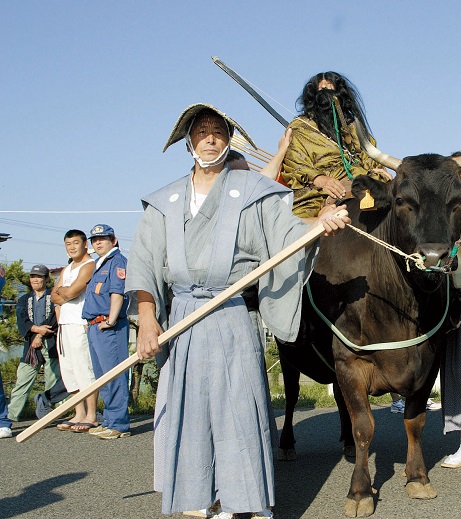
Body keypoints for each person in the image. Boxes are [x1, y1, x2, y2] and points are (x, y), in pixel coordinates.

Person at [127, 103, 349, 518]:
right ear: (188, 141)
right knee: (188, 410)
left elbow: (287, 239)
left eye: (218, 131)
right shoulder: (165, 200)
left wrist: (317, 223)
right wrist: (147, 318)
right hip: (183, 321)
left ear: (228, 140)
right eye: (201, 132)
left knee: (237, 410)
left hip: (231, 313)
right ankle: (197, 496)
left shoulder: (254, 191)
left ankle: (242, 501)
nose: (210, 138)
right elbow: (142, 262)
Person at [281, 71, 389, 218]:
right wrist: (320, 179)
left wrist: (378, 171)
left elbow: (370, 156)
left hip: (360, 180)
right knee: (300, 225)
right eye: (321, 88)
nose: (325, 88)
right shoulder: (300, 127)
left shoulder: (354, 127)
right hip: (318, 190)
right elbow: (295, 163)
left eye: (330, 86)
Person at [82, 224, 130, 439]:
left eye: (103, 238)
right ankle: (110, 420)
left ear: (114, 239)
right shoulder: (99, 264)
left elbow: (117, 293)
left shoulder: (117, 262)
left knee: (114, 374)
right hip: (95, 326)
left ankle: (119, 424)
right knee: (103, 376)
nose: (98, 242)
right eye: (94, 240)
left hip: (109, 327)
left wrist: (110, 320)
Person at [51, 229, 98, 431]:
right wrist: (63, 294)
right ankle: (78, 412)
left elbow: (70, 292)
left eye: (75, 243)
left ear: (85, 244)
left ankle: (91, 414)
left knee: (84, 369)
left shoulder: (89, 265)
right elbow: (54, 295)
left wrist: (63, 293)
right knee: (69, 371)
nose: (71, 247)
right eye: (68, 244)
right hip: (64, 325)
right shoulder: (68, 268)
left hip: (80, 323)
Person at [7, 264, 64, 422]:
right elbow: (22, 320)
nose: (36, 280)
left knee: (52, 378)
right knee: (23, 379)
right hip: (31, 345)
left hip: (51, 341)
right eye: (33, 277)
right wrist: (36, 330)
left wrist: (39, 334)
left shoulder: (53, 296)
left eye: (39, 276)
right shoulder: (24, 299)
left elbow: (54, 317)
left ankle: (46, 413)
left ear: (46, 279)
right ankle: (11, 416)